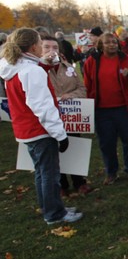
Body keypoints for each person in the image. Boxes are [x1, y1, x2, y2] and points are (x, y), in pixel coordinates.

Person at [0, 28, 83, 224]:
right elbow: (43, 107)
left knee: (41, 173)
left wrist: (44, 65)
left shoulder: (15, 66)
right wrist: (60, 134)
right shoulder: (31, 71)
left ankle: (51, 207)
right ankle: (55, 213)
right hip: (40, 130)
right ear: (33, 46)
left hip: (26, 130)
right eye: (40, 43)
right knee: (49, 175)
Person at [83, 33, 128, 185]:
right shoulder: (92, 61)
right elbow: (87, 84)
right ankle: (111, 172)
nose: (112, 45)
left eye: (114, 42)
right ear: (100, 45)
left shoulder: (127, 60)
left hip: (124, 109)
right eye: (108, 42)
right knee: (106, 143)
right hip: (102, 110)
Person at [39, 35, 92, 196]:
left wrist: (71, 96)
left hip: (71, 117)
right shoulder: (36, 70)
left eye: (55, 47)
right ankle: (61, 184)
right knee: (53, 149)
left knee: (73, 146)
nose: (51, 51)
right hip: (48, 118)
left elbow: (82, 89)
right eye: (46, 47)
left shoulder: (68, 67)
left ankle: (79, 182)